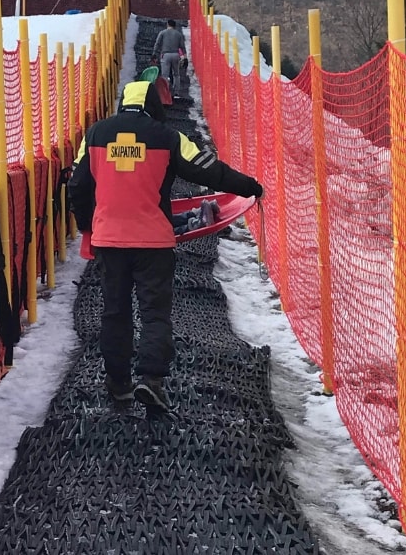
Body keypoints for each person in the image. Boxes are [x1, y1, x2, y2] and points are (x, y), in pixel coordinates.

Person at [68, 80, 263, 411]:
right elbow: (209, 171)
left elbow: (77, 183)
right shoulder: (168, 137)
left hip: (109, 241)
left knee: (115, 313)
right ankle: (151, 380)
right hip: (152, 242)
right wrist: (249, 186)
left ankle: (118, 385)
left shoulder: (96, 134)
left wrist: (88, 224)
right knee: (154, 314)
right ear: (154, 107)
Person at [152, 19, 187, 98]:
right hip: (175, 55)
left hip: (165, 54)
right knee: (176, 74)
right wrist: (185, 57)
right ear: (174, 26)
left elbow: (157, 43)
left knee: (165, 75)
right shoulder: (178, 34)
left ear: (167, 24)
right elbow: (182, 47)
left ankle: (165, 92)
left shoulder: (163, 33)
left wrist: (154, 54)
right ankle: (176, 92)